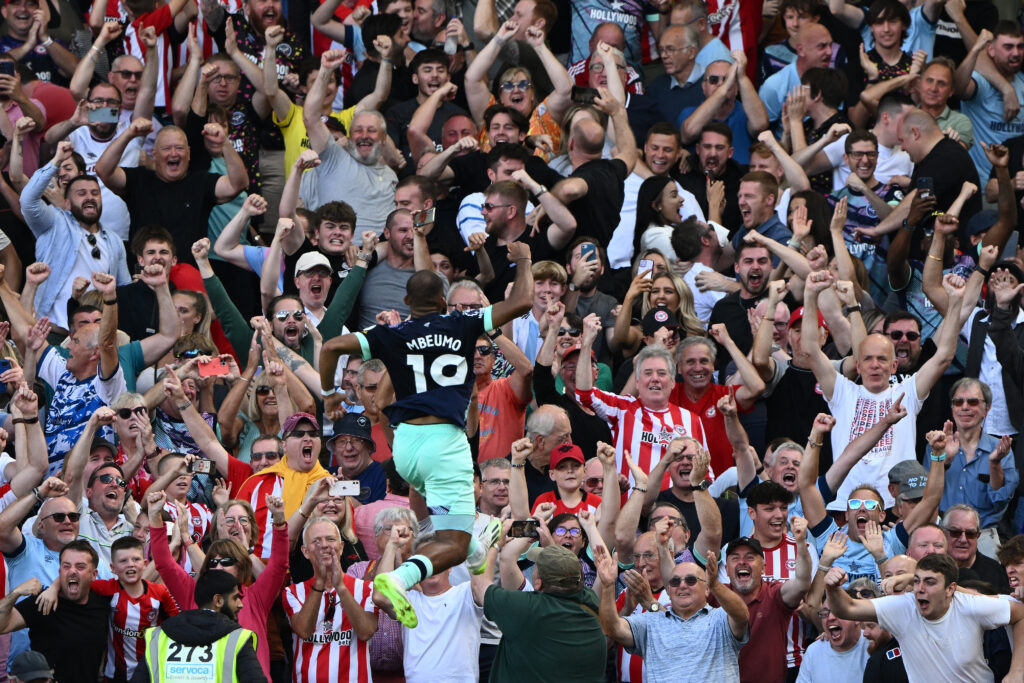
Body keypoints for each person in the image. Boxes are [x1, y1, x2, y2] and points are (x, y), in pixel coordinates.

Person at [319, 244, 535, 628]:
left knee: (461, 538)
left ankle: (476, 551)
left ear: (406, 301)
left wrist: (330, 394)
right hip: (444, 443)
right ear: (443, 300)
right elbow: (522, 300)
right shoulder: (465, 323)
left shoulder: (390, 333)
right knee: (449, 544)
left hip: (405, 447)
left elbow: (333, 346)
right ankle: (395, 580)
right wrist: (523, 259)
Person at [823, 553, 1024, 681]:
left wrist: (1017, 672)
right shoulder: (903, 607)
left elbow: (1021, 614)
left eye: (929, 582)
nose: (920, 589)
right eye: (917, 581)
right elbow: (847, 609)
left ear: (950, 589)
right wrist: (832, 588)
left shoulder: (970, 606)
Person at [20, 141, 131, 331]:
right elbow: (28, 200)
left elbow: (125, 290)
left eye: (95, 193)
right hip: (50, 332)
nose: (89, 197)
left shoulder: (114, 241)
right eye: (81, 193)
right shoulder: (54, 222)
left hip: (96, 335)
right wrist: (56, 161)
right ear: (68, 203)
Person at [596, 545, 749, 682]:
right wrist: (608, 585)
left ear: (707, 589)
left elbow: (742, 615)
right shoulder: (650, 622)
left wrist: (716, 585)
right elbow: (613, 628)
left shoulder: (720, 618)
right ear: (668, 591)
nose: (682, 585)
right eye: (675, 582)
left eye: (691, 580)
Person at [486, 544, 606, 682]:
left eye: (536, 567)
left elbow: (479, 586)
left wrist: (493, 544)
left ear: (538, 583)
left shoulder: (526, 608)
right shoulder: (590, 600)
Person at [283, 516, 379, 683]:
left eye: (330, 539)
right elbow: (304, 631)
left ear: (341, 547)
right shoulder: (292, 592)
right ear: (305, 552)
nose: (324, 545)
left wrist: (340, 586)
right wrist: (319, 582)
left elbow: (366, 631)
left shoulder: (366, 588)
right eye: (316, 541)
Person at [0, 541, 110, 683]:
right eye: (66, 566)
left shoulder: (103, 601)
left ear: (94, 574)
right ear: (60, 571)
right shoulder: (43, 601)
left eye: (80, 566)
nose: (72, 571)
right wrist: (15, 593)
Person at [132, 570, 266, 683]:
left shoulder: (159, 636)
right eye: (235, 598)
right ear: (218, 600)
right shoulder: (237, 639)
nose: (240, 604)